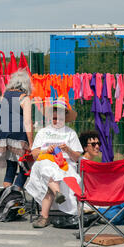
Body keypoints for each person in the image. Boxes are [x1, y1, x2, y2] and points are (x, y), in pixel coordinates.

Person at [25, 98, 83, 228]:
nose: (57, 121)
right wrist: (46, 150)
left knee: (52, 178)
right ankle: (57, 194)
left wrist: (67, 149)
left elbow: (77, 157)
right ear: (51, 117)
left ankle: (44, 216)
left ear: (65, 117)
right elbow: (34, 154)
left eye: (60, 119)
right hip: (44, 162)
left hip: (64, 165)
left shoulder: (71, 133)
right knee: (47, 166)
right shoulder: (43, 132)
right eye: (55, 118)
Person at [0, 69, 33, 190]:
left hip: (3, 135)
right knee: (26, 167)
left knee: (11, 167)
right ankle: (15, 194)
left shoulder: (2, 97)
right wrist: (30, 143)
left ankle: (6, 194)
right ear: (26, 84)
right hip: (19, 136)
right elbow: (27, 122)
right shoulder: (24, 98)